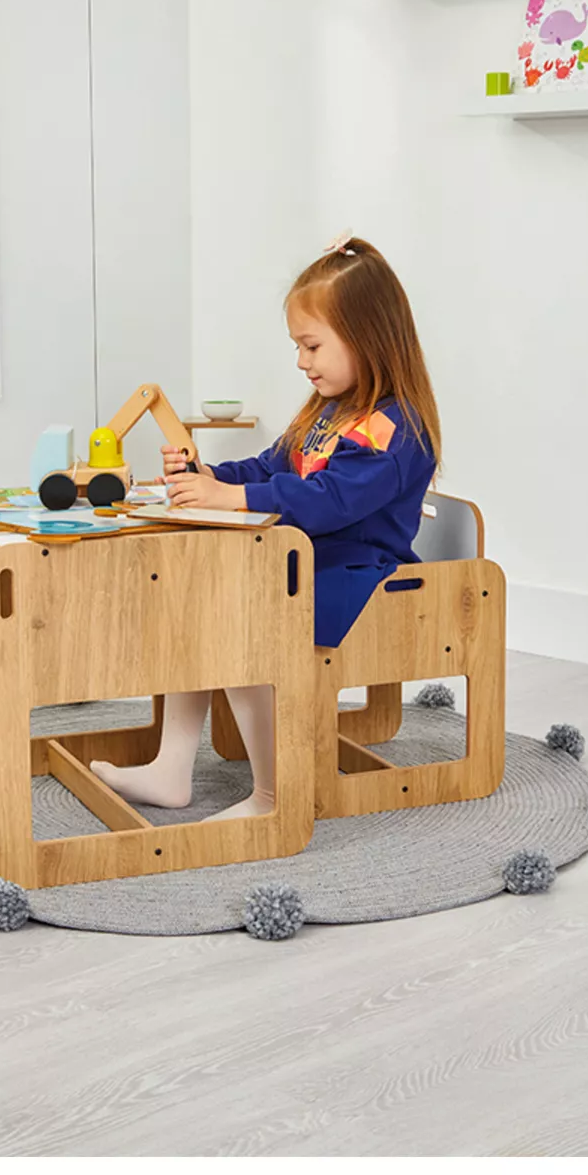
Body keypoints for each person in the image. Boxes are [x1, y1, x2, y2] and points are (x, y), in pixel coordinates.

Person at [90, 230, 442, 821]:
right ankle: (170, 769)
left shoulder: (394, 427)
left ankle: (274, 796)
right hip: (309, 563)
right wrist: (211, 476)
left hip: (359, 575)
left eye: (312, 346)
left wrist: (231, 497)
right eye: (298, 346)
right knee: (201, 600)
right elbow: (272, 466)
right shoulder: (330, 411)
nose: (302, 361)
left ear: (367, 337)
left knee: (244, 617)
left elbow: (330, 500)